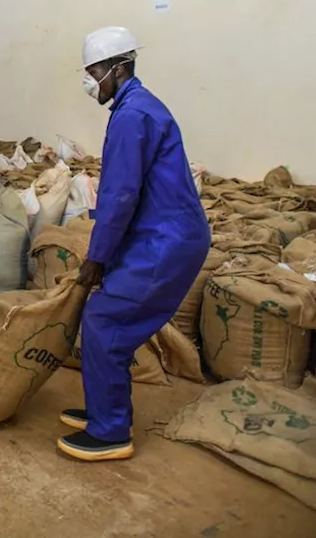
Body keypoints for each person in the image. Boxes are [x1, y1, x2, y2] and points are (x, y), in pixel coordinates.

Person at [60, 26, 211, 462]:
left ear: (118, 68)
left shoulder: (132, 115)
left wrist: (98, 258)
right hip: (160, 235)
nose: (90, 83)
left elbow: (121, 194)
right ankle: (102, 410)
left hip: (166, 243)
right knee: (107, 318)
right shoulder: (134, 107)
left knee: (106, 321)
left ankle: (110, 433)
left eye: (94, 73)